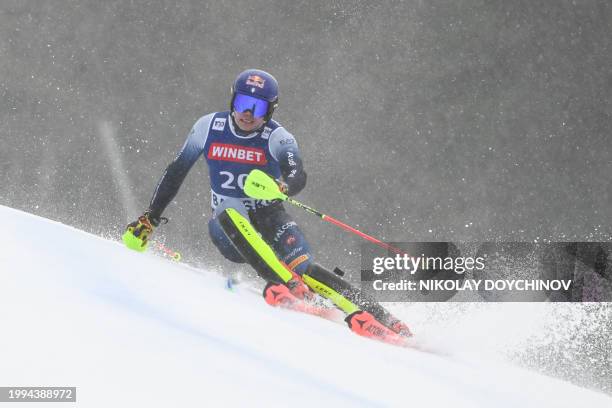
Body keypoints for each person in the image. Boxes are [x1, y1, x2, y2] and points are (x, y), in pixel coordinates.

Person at [123, 69, 412, 344]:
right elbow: (176, 171)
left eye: (258, 108)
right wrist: (151, 217)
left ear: (270, 110)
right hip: (229, 230)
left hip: (269, 216)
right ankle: (287, 283)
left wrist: (285, 187)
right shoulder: (208, 126)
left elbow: (297, 173)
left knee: (305, 267)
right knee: (228, 208)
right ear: (232, 100)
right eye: (243, 103)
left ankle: (385, 319)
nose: (248, 114)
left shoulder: (278, 137)